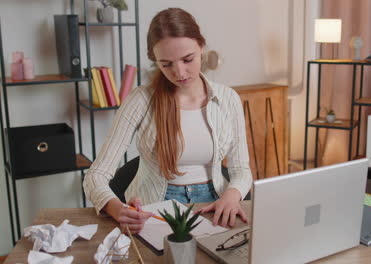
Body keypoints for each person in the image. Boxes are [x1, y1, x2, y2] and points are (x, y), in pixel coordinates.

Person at [83, 7, 253, 234]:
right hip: (155, 209)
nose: (180, 72)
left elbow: (241, 169)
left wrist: (232, 196)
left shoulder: (228, 99)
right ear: (156, 61)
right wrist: (116, 208)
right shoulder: (140, 101)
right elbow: (95, 176)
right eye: (166, 64)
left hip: (214, 205)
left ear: (201, 47)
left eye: (188, 59)